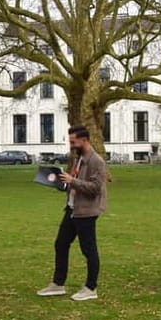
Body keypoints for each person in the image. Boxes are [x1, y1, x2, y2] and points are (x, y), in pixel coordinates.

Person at [37, 124, 107, 301]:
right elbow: (75, 182)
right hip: (72, 209)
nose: (71, 145)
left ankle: (91, 287)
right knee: (60, 244)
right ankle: (58, 284)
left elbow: (95, 188)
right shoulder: (79, 158)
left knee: (88, 249)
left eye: (73, 141)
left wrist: (72, 181)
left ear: (84, 140)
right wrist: (63, 184)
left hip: (87, 211)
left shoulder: (96, 161)